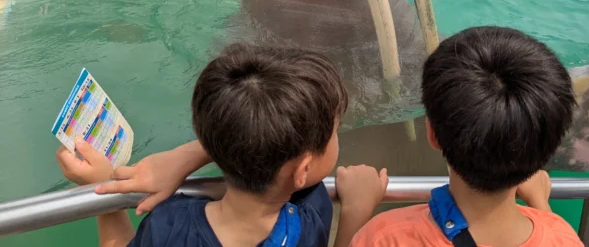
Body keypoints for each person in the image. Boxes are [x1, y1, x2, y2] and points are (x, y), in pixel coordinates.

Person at [56, 43, 385, 247]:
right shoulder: (311, 211)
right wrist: (357, 210)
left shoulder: (170, 225)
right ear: (303, 171)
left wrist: (104, 190)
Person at [347, 26, 584, 246]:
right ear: (550, 147)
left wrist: (357, 209)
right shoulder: (565, 238)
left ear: (432, 134)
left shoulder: (386, 236)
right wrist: (541, 204)